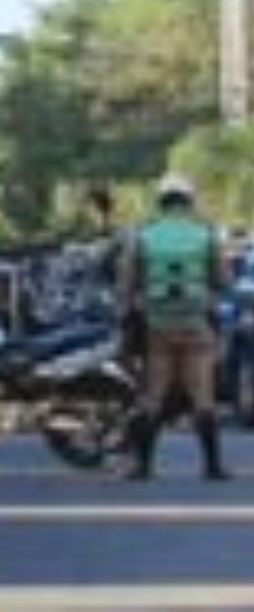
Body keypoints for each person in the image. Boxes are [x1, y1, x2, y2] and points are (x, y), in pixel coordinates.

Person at [118, 172, 230, 481]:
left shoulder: (143, 235)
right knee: (202, 395)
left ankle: (143, 467)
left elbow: (126, 283)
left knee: (153, 395)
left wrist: (128, 313)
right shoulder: (205, 234)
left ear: (161, 201)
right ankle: (213, 467)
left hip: (157, 325)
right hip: (195, 324)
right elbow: (223, 281)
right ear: (189, 201)